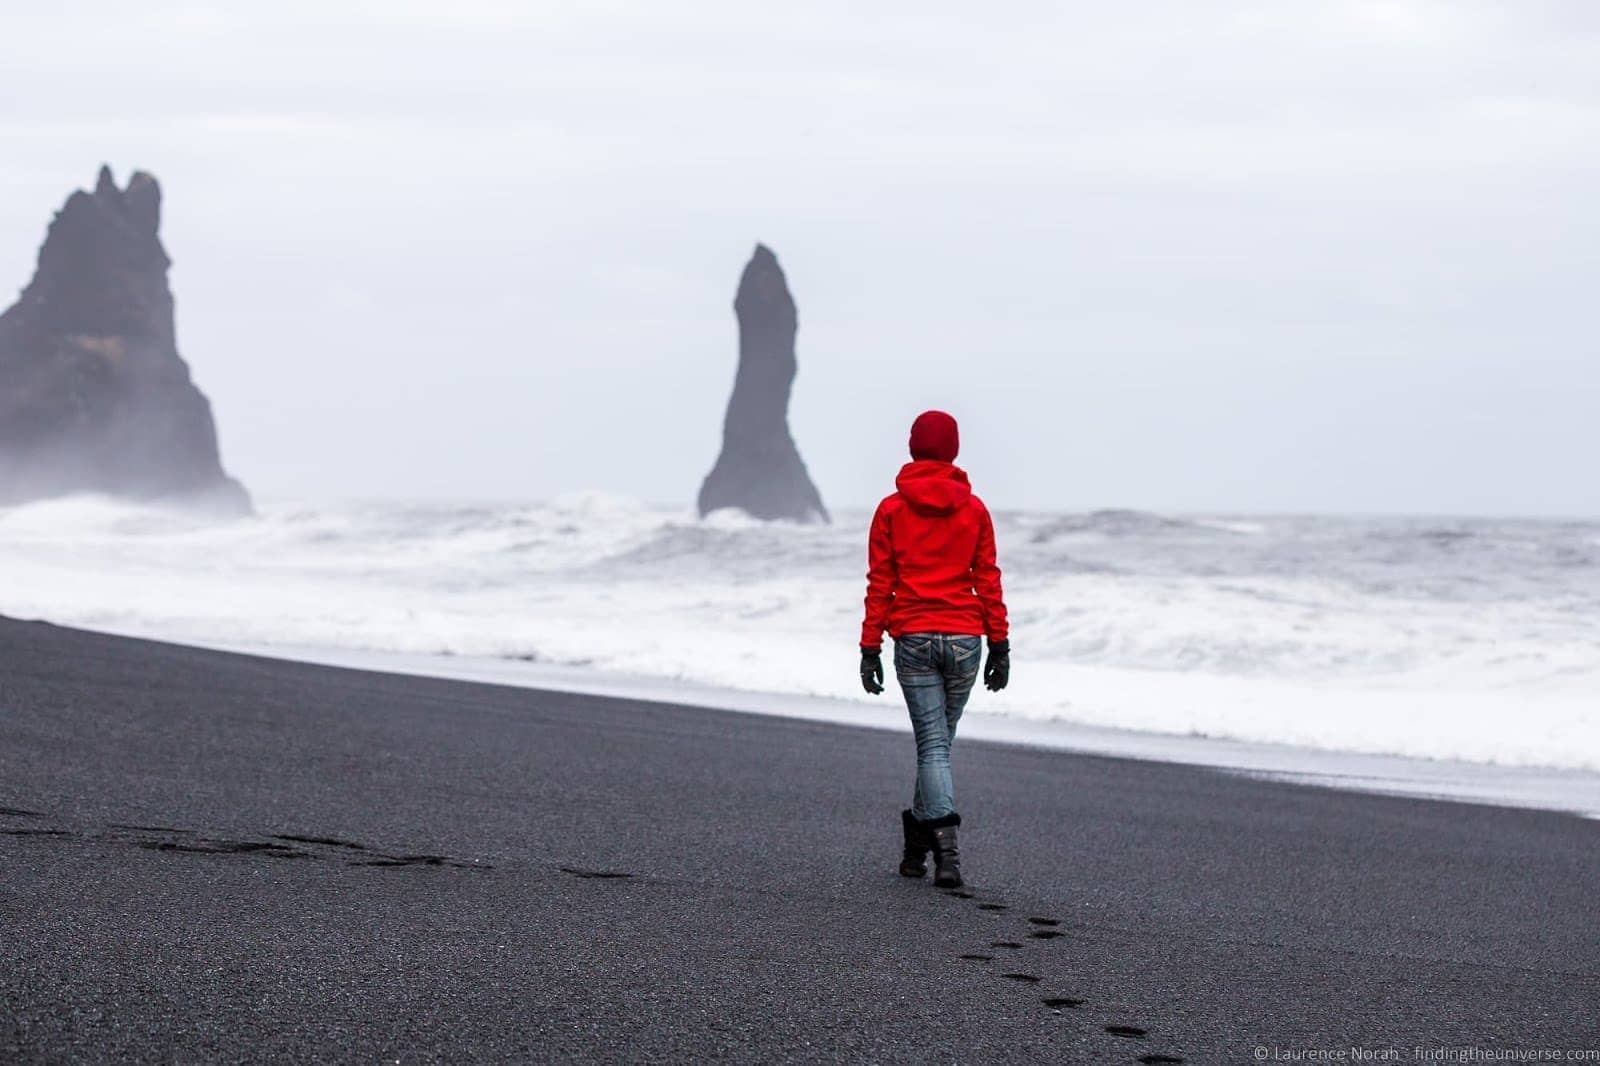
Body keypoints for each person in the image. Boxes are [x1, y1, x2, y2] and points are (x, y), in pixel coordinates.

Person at [859, 410, 1009, 889]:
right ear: (954, 450)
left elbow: (880, 583)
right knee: (938, 746)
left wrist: (869, 646)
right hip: (966, 640)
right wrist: (1000, 643)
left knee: (933, 747)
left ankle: (940, 854)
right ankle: (919, 853)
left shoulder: (890, 509)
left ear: (912, 448)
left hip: (915, 638)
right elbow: (987, 579)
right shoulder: (975, 509)